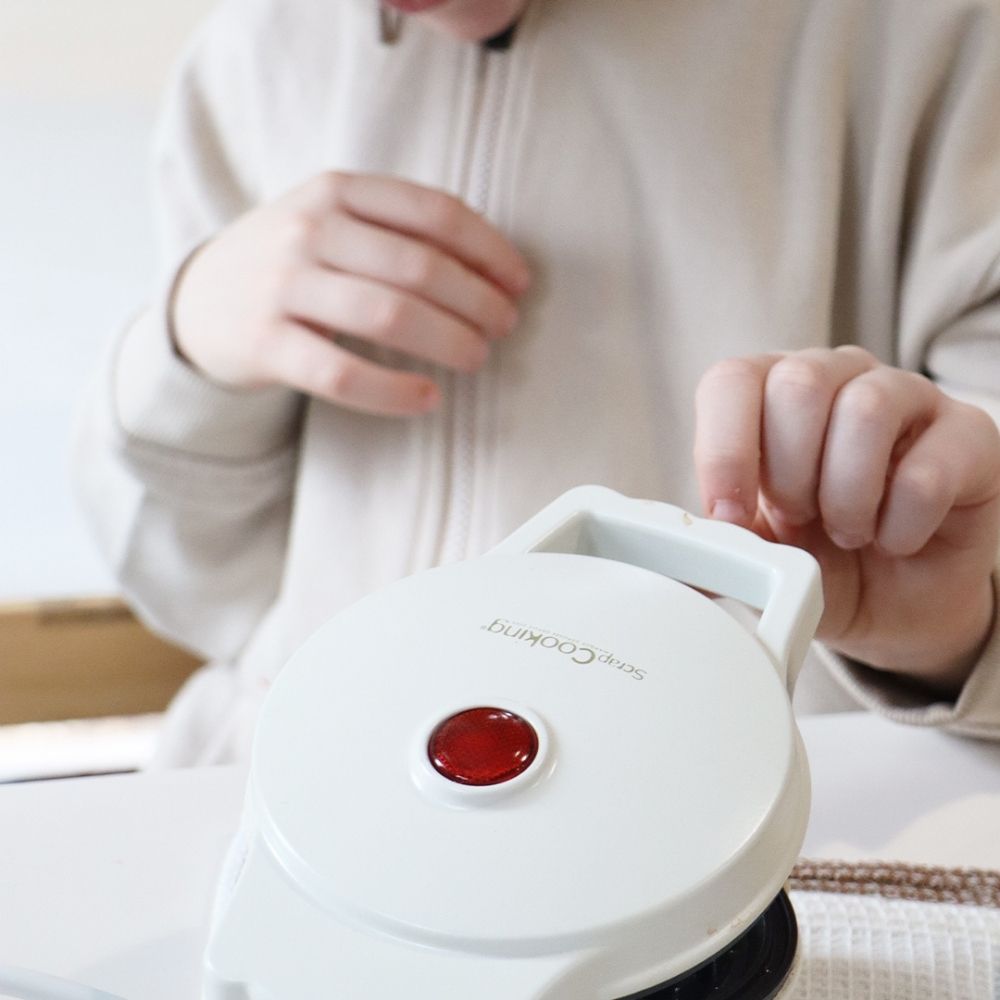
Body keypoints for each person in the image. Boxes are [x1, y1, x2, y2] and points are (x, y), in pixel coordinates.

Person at [75, 0, 1000, 766]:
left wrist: (946, 631)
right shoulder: (254, 50)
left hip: (754, 869)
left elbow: (966, 563)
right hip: (288, 807)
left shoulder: (942, 36)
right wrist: (185, 344)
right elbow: (199, 598)